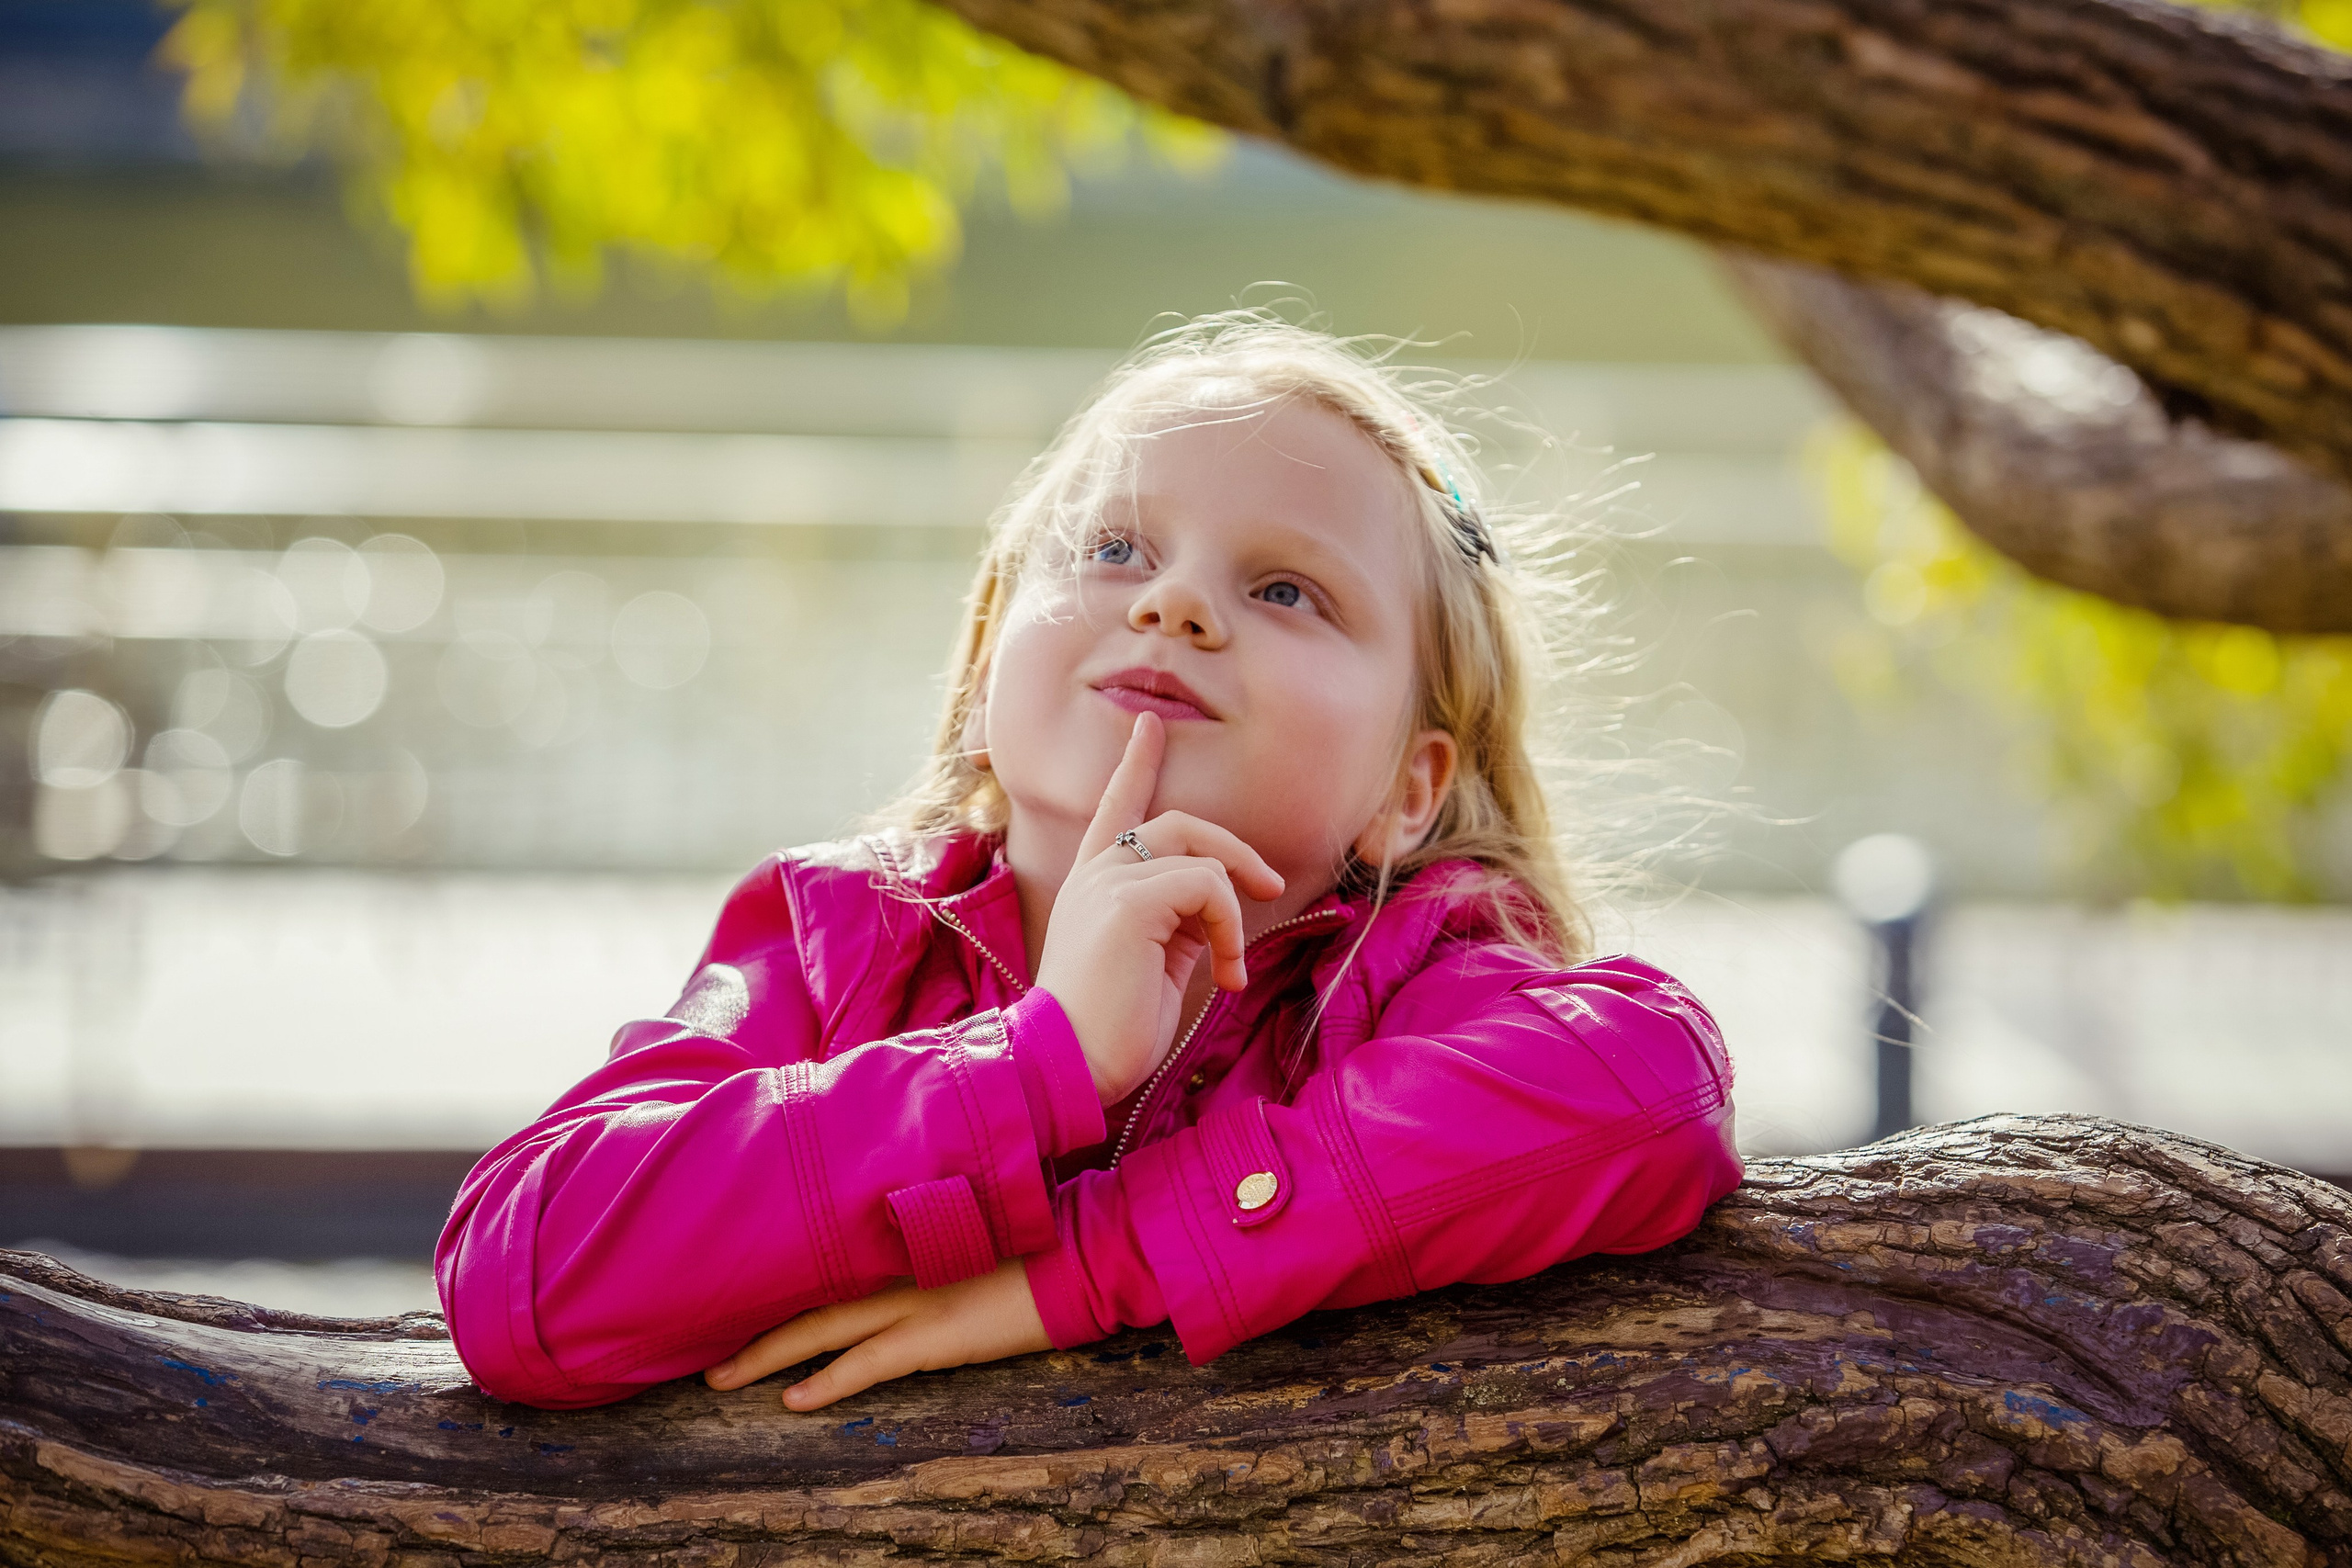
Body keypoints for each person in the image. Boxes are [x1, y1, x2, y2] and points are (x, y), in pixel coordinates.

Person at [435, 312, 1744, 1411]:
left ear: (1408, 791)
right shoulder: (836, 934)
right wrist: (1033, 1063)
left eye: (1286, 590)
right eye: (1115, 550)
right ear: (990, 658)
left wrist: (1090, 1265)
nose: (1174, 604)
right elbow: (521, 1278)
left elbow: (1656, 1087)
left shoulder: (1413, 976)